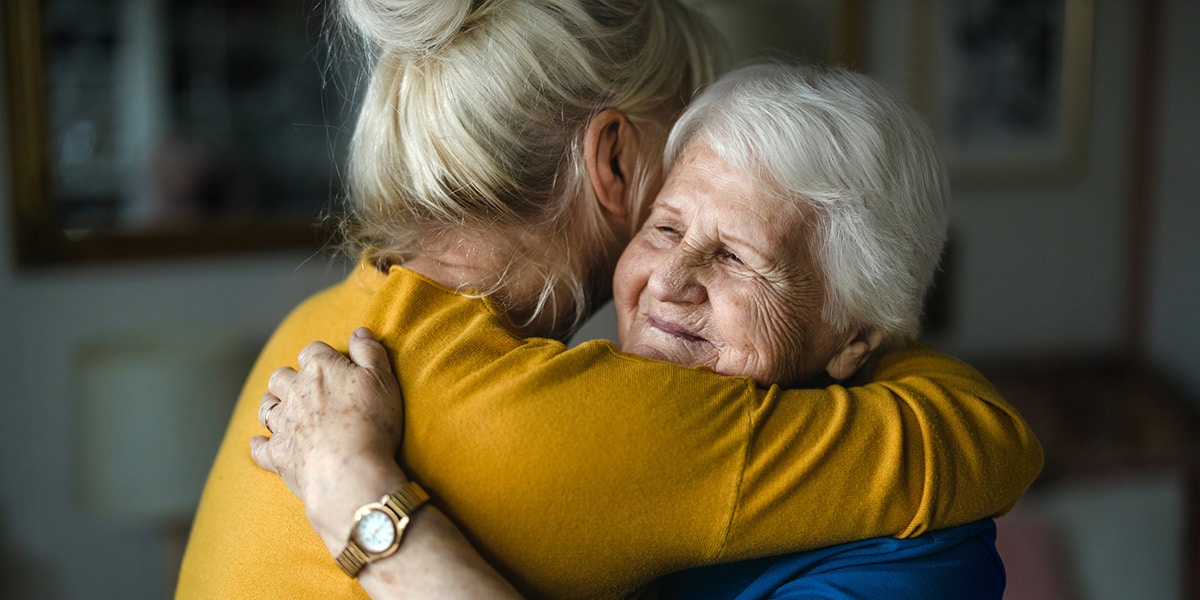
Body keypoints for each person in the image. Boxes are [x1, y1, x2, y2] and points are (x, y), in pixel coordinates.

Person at [177, 1, 1041, 598]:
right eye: (667, 219)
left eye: (738, 255)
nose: (670, 275)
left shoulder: (319, 325)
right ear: (618, 161)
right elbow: (980, 443)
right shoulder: (594, 425)